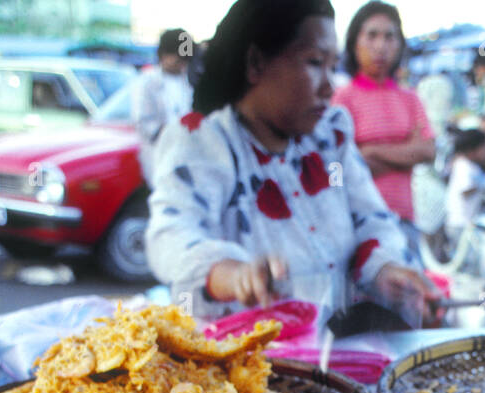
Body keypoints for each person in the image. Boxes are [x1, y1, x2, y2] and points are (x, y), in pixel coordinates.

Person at [144, 0, 437, 327]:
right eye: (314, 62)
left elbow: (371, 219)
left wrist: (386, 270)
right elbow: (171, 237)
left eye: (332, 65)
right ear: (256, 63)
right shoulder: (204, 142)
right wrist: (233, 275)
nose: (329, 86)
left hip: (331, 359)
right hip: (243, 366)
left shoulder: (330, 136)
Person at [332, 2, 434, 244]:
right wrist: (405, 153)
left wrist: (371, 150)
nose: (381, 46)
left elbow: (427, 151)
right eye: (372, 35)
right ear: (355, 42)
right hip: (357, 226)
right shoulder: (342, 99)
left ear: (399, 44)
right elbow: (338, 165)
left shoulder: (410, 99)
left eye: (390, 37)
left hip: (404, 222)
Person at [133, 28, 195, 181]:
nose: (181, 63)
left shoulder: (187, 82)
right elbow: (144, 124)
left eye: (184, 60)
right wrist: (175, 133)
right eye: (178, 58)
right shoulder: (147, 82)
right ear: (163, 55)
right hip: (159, 157)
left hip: (187, 157)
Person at [443, 127, 485, 247]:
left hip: (466, 222)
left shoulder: (472, 166)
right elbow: (465, 191)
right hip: (459, 222)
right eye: (483, 148)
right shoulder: (463, 166)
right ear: (472, 149)